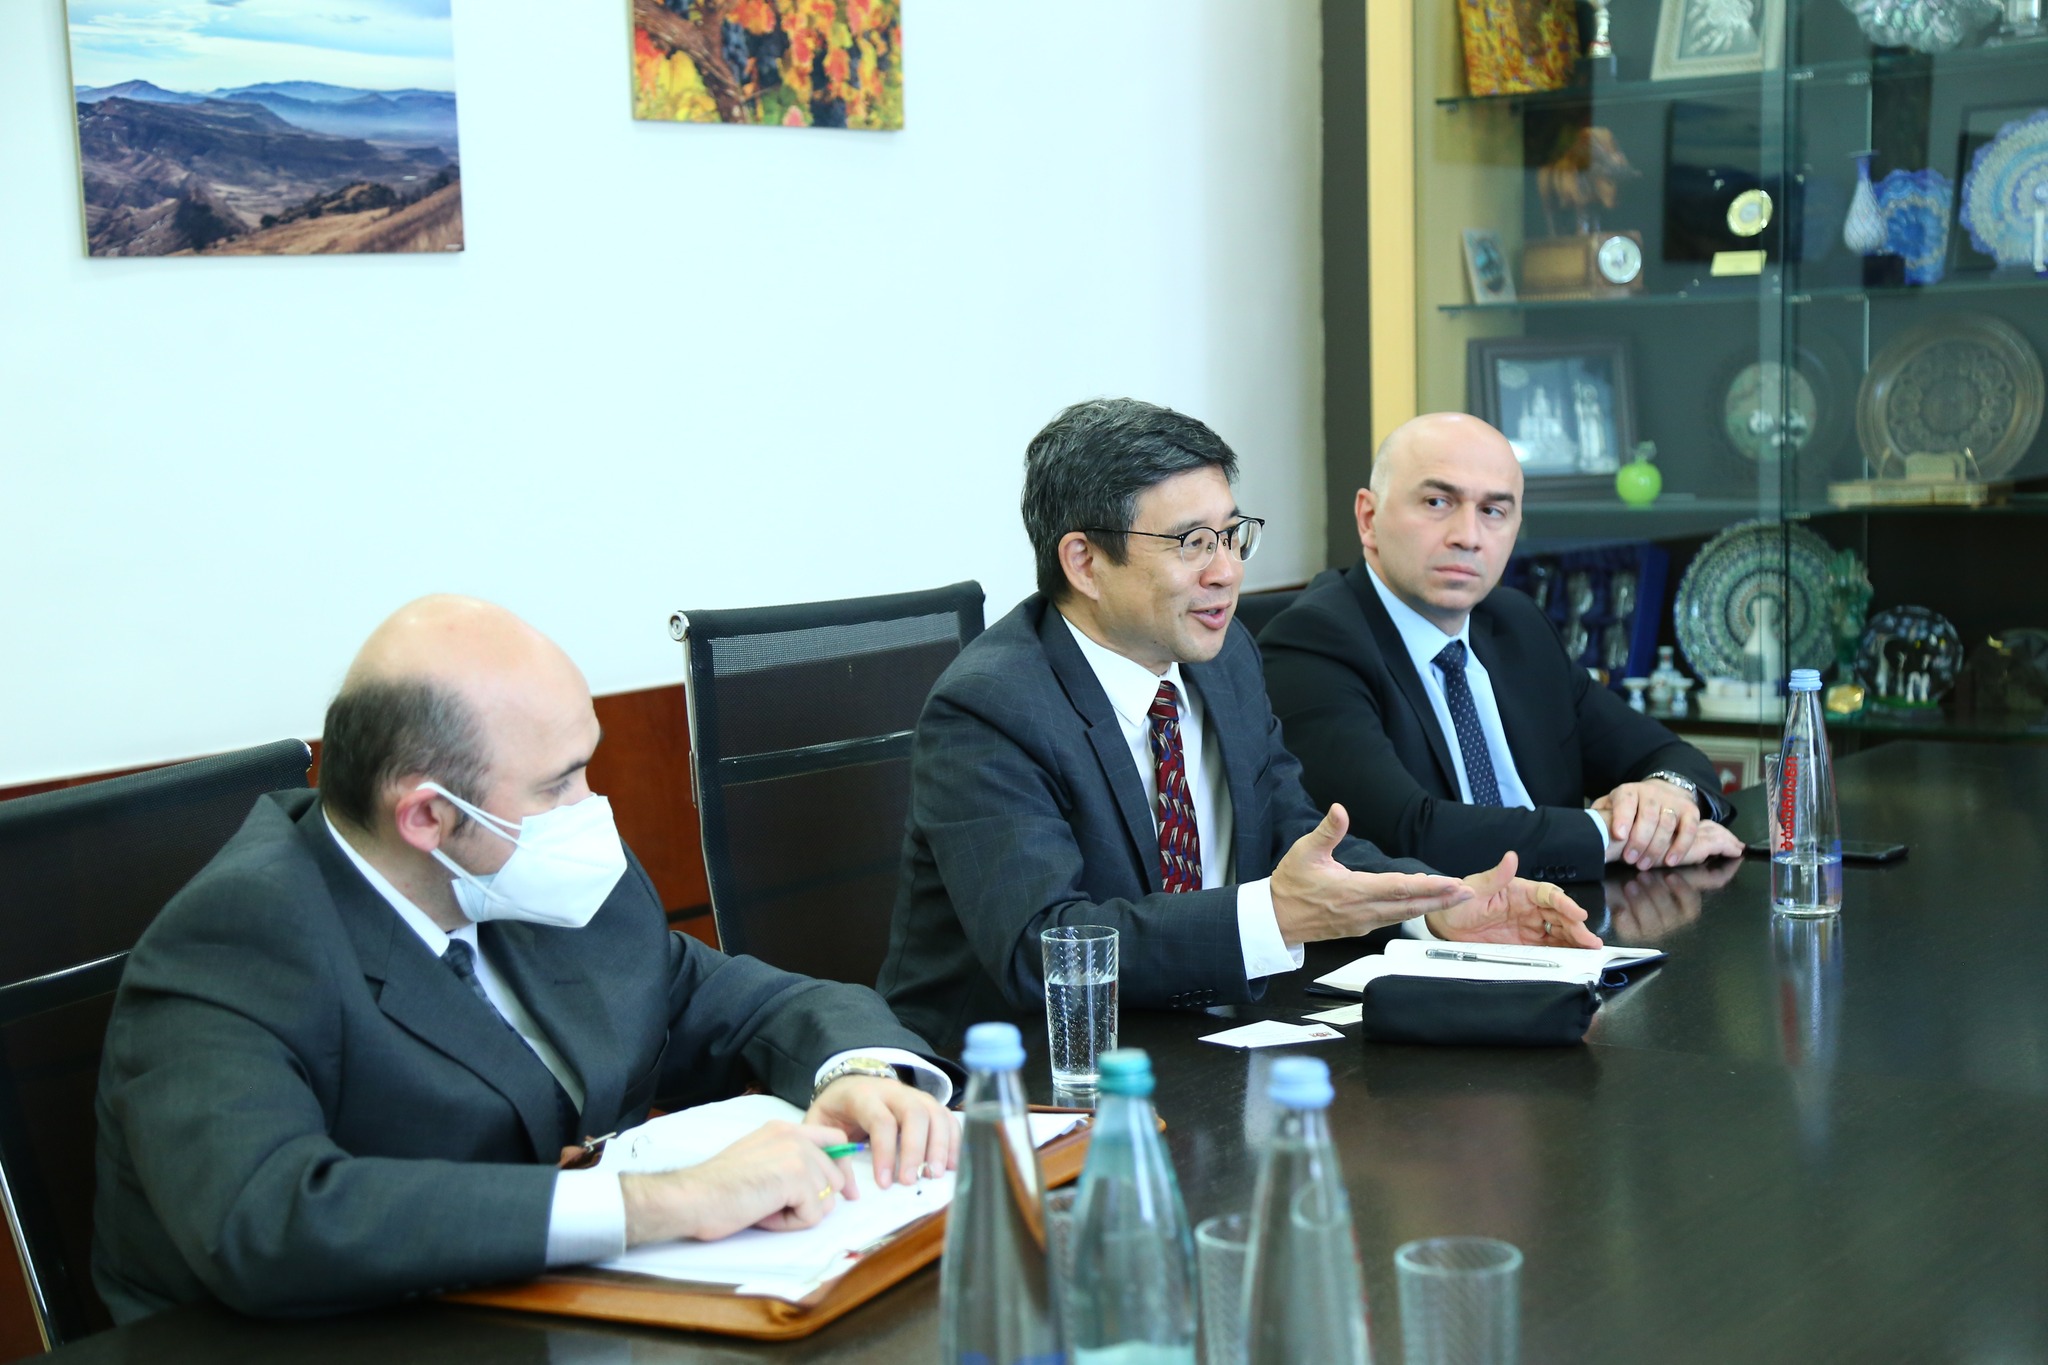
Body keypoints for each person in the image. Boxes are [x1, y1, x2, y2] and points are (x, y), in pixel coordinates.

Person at [93, 596, 958, 1322]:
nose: (589, 808)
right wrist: (673, 1201)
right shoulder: (239, 936)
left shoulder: (525, 872)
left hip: (568, 1312)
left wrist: (858, 1069)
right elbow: (268, 1218)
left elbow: (723, 997)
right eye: (558, 783)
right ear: (427, 816)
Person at [876, 398, 1597, 1053]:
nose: (1226, 572)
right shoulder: (991, 708)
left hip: (1204, 1040)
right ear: (1085, 562)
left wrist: (1437, 903)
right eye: (1192, 543)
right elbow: (1046, 950)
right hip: (1022, 1082)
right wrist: (1272, 917)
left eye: (1231, 536)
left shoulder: (1224, 658)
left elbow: (1292, 830)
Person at [1259, 412, 1742, 884]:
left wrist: (1666, 798)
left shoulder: (1517, 625)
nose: (1468, 537)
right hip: (1427, 930)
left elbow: (1666, 753)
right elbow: (1407, 835)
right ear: (1369, 518)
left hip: (1563, 916)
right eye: (1437, 502)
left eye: (1493, 511)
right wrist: (1617, 836)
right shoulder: (1315, 641)